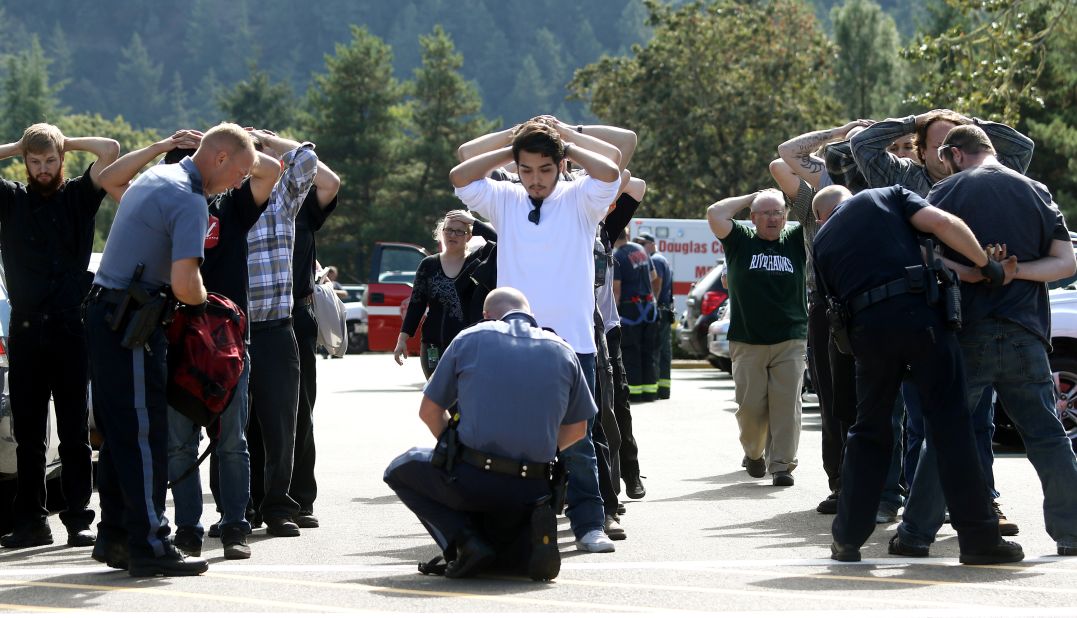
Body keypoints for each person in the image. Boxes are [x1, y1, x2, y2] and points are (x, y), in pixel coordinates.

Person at [891, 125, 1077, 558]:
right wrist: (1016, 271)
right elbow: (1066, 261)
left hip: (968, 332)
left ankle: (916, 534)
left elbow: (917, 254)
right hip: (1025, 333)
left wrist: (974, 271)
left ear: (956, 154)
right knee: (1048, 436)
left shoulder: (944, 194)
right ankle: (1072, 533)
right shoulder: (1036, 190)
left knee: (944, 437)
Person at [812, 184, 1022, 565]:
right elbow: (941, 222)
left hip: (867, 333)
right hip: (917, 316)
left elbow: (832, 314)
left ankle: (847, 540)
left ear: (822, 215)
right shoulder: (885, 196)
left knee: (869, 432)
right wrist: (986, 266)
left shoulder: (822, 242)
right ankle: (978, 541)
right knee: (951, 426)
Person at [852, 108, 1035, 532]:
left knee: (979, 420)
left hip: (980, 311)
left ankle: (985, 503)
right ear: (921, 151)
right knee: (922, 420)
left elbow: (1022, 147)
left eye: (955, 142)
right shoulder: (906, 182)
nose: (947, 149)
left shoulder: (985, 177)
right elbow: (862, 145)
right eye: (937, 144)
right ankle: (924, 515)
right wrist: (916, 119)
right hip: (925, 313)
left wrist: (973, 128)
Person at [86, 122, 255, 576]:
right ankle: (151, 545)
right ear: (220, 158)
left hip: (109, 316)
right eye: (241, 173)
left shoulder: (158, 177)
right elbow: (186, 283)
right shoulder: (189, 198)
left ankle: (116, 537)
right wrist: (211, 308)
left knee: (121, 433)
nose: (240, 183)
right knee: (144, 436)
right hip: (133, 323)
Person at [450, 118, 621, 553]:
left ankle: (589, 524)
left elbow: (610, 170)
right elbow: (461, 171)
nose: (536, 180)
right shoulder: (505, 198)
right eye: (527, 171)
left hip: (574, 343)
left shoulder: (582, 198)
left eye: (545, 170)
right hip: (515, 344)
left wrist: (565, 140)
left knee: (578, 441)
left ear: (561, 166)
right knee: (513, 439)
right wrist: (514, 145)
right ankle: (519, 521)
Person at [383, 287, 595, 580]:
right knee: (509, 559)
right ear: (531, 315)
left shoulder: (470, 339)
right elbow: (578, 429)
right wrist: (537, 450)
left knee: (400, 468)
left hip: (475, 480)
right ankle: (515, 546)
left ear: (486, 315)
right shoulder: (563, 350)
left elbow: (429, 412)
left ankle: (464, 541)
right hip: (533, 490)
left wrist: (454, 450)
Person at [0, 123, 119, 549]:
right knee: (28, 435)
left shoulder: (79, 197)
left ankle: (77, 520)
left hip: (71, 325)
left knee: (73, 431)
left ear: (61, 160)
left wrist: (62, 140)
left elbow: (110, 149)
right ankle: (31, 521)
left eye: (50, 160)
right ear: (25, 163)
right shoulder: (11, 199)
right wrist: (17, 146)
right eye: (35, 161)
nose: (43, 168)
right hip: (26, 327)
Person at [244, 131, 320, 538]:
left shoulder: (283, 201)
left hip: (277, 327)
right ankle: (237, 508)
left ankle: (278, 506)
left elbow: (307, 162)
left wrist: (265, 140)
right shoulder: (223, 202)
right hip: (233, 331)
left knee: (281, 424)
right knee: (234, 427)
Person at [706, 189, 807, 487]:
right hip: (748, 339)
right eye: (765, 213)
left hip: (790, 338)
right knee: (750, 408)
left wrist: (787, 191)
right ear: (752, 218)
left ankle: (782, 465)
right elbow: (715, 213)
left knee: (787, 406)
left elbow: (819, 208)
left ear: (786, 216)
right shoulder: (740, 240)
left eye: (778, 212)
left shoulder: (796, 240)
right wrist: (753, 196)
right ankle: (753, 453)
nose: (773, 218)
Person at [289, 157, 341, 531]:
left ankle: (300, 499)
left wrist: (281, 146)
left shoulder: (304, 203)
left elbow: (331, 182)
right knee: (245, 419)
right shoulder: (236, 199)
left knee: (300, 410)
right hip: (243, 315)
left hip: (297, 313)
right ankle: (246, 503)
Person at [394, 210, 479, 378]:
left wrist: (474, 222)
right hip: (433, 344)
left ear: (469, 236)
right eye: (448, 230)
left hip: (468, 346)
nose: (452, 235)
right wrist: (402, 339)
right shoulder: (428, 265)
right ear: (442, 232)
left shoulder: (478, 263)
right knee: (436, 399)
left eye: (459, 231)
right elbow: (416, 305)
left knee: (462, 401)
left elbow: (499, 241)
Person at [613, 229, 657, 403]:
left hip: (631, 310)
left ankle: (635, 393)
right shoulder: (641, 250)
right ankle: (650, 392)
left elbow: (617, 289)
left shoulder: (618, 256)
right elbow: (653, 276)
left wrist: (613, 313)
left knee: (631, 352)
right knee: (648, 351)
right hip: (649, 308)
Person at [637, 232, 673, 400]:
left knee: (657, 350)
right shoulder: (660, 258)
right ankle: (663, 389)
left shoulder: (656, 260)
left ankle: (659, 388)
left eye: (643, 243)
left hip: (659, 310)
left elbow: (656, 282)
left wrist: (653, 304)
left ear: (651, 244)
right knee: (663, 349)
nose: (641, 247)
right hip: (664, 309)